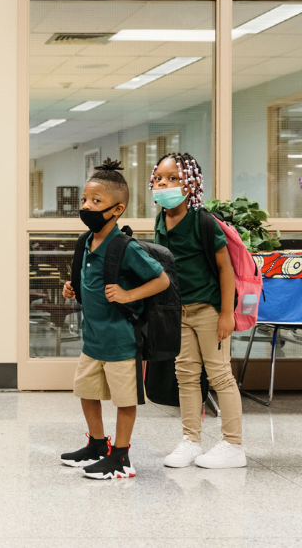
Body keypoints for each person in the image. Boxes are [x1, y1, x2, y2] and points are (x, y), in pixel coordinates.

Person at [59, 160, 169, 480]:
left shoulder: (125, 246)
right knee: (87, 391)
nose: (86, 206)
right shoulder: (85, 242)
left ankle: (120, 457)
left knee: (124, 399)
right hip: (92, 337)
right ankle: (96, 445)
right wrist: (71, 289)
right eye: (84, 200)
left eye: (96, 201)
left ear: (117, 209)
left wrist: (128, 295)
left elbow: (160, 280)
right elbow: (85, 283)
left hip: (121, 338)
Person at [151, 153, 247, 470]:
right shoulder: (160, 219)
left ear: (191, 185)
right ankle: (191, 440)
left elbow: (225, 268)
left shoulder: (202, 221)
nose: (164, 184)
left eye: (173, 178)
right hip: (178, 311)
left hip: (209, 308)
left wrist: (226, 314)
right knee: (186, 375)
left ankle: (233, 444)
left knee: (219, 374)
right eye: (159, 178)